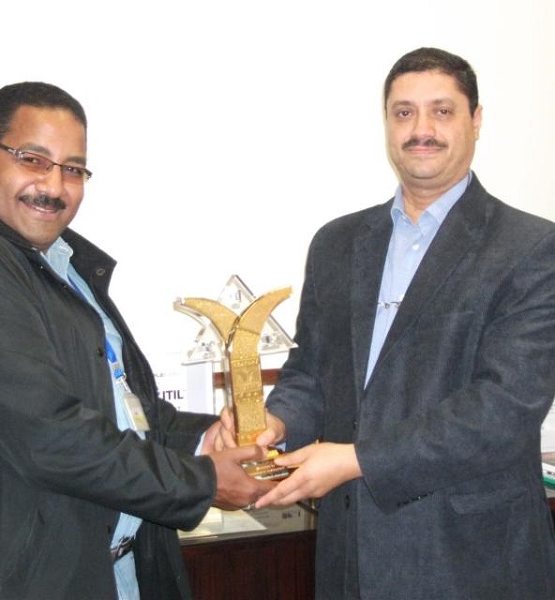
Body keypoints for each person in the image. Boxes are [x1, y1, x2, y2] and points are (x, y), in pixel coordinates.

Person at [216, 47, 555, 599]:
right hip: (350, 552)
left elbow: (503, 409)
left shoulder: (533, 248)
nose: (421, 129)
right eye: (404, 112)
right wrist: (274, 423)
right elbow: (311, 372)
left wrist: (356, 459)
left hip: (472, 557)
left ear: (476, 120)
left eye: (441, 111)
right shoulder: (337, 242)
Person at [0, 81, 275, 600]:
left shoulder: (65, 266)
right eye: (33, 160)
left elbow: (127, 411)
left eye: (73, 169)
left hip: (115, 570)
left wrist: (204, 439)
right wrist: (203, 480)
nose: (54, 186)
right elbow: (49, 436)